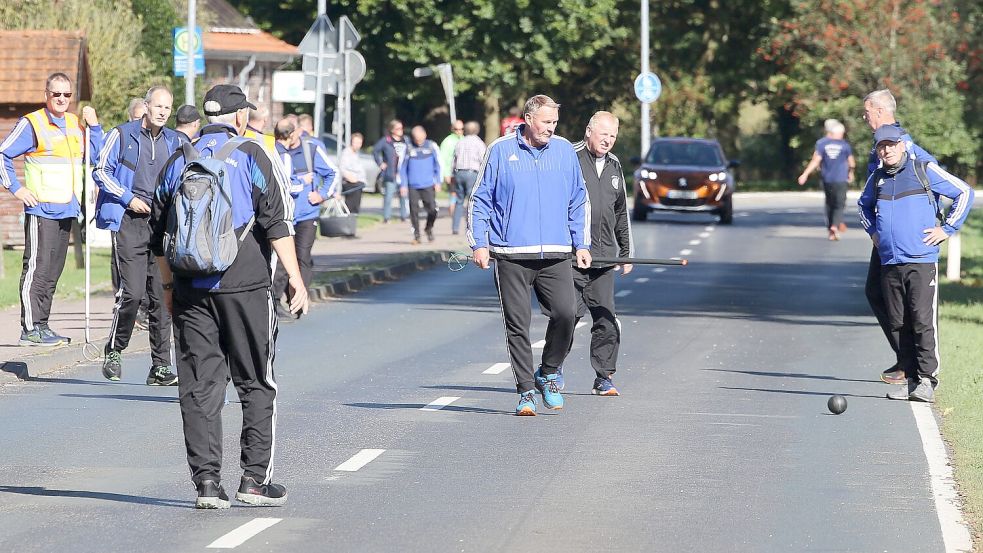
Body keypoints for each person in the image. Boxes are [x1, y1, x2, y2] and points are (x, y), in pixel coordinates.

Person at [151, 84, 309, 509]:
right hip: (246, 288)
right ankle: (254, 481)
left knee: (199, 388)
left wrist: (168, 290)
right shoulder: (254, 155)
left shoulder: (178, 159)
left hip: (189, 289)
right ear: (240, 117)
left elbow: (158, 233)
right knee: (257, 381)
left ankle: (206, 484)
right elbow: (278, 224)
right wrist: (296, 279)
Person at [468, 94, 591, 416]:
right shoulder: (500, 150)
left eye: (554, 122)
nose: (551, 128)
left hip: (556, 252)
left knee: (567, 313)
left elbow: (579, 200)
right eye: (546, 122)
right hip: (511, 253)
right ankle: (525, 391)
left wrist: (582, 244)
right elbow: (480, 199)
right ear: (528, 120)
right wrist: (479, 243)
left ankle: (548, 371)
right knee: (517, 324)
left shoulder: (564, 151)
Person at [859, 124, 973, 403]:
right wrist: (873, 232)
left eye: (890, 145)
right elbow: (863, 206)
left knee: (922, 321)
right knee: (898, 323)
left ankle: (927, 379)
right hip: (890, 261)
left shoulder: (923, 169)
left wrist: (947, 229)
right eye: (880, 146)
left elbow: (965, 193)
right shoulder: (877, 178)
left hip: (921, 261)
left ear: (902, 145)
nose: (885, 150)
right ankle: (911, 379)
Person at [1, 72, 103, 346]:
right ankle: (29, 328)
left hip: (67, 209)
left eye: (66, 95)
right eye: (56, 94)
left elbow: (95, 155)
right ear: (46, 95)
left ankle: (43, 324)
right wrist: (16, 188)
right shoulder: (32, 123)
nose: (61, 99)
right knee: (37, 268)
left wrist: (95, 126)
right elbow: (3, 154)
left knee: (53, 272)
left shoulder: (73, 123)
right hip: (41, 209)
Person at [93, 85, 180, 385]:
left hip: (160, 225)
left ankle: (160, 366)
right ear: (146, 106)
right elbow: (100, 170)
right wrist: (127, 197)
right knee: (132, 293)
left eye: (167, 108)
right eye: (158, 107)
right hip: (129, 220)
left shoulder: (174, 141)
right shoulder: (122, 134)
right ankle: (115, 349)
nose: (162, 113)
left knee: (161, 296)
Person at [860, 89, 939, 386]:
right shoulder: (878, 144)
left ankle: (913, 364)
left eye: (866, 112)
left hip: (908, 240)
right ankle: (906, 360)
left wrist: (935, 224)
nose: (865, 118)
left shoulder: (902, 143)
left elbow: (930, 175)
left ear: (880, 111)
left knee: (909, 306)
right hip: (885, 234)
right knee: (877, 292)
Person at [570, 111, 634, 396]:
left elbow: (621, 211)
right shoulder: (568, 158)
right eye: (603, 134)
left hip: (605, 256)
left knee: (607, 319)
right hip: (570, 256)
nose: (608, 140)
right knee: (566, 316)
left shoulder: (615, 165)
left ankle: (604, 376)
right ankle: (552, 370)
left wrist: (626, 251)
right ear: (588, 131)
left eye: (613, 136)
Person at [271, 113, 338, 320]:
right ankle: (275, 301)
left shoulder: (312, 149)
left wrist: (322, 194)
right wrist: (301, 180)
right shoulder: (277, 151)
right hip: (287, 214)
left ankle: (298, 299)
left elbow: (332, 173)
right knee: (282, 259)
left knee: (302, 256)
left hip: (308, 213)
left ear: (296, 133)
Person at [797, 119, 856, 240]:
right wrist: (851, 173)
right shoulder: (845, 145)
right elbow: (851, 163)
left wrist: (805, 174)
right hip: (841, 179)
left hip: (827, 179)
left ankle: (831, 228)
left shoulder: (821, 144)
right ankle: (835, 225)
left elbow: (815, 160)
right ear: (837, 133)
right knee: (840, 204)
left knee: (829, 203)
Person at [400, 125, 441, 244]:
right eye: (416, 139)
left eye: (420, 138)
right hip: (413, 185)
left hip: (428, 184)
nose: (418, 141)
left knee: (432, 210)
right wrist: (403, 184)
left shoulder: (431, 146)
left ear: (425, 135)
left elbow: (438, 165)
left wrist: (438, 181)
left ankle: (429, 228)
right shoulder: (408, 148)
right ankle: (417, 235)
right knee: (414, 211)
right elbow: (402, 167)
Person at [372, 119, 410, 223]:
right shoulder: (386, 140)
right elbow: (375, 151)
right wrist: (380, 163)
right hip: (390, 173)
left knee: (403, 196)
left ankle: (404, 216)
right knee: (388, 196)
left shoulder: (405, 140)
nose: (400, 130)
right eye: (398, 128)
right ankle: (386, 217)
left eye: (401, 128)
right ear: (392, 130)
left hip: (403, 174)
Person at [450, 121, 485, 234]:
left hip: (459, 172)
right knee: (472, 201)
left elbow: (454, 159)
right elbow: (483, 160)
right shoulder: (479, 143)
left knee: (459, 200)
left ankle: (455, 228)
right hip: (472, 173)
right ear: (477, 130)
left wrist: (452, 174)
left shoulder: (460, 142)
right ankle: (470, 226)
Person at [439, 120, 463, 224]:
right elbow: (443, 158)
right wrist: (446, 174)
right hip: (451, 172)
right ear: (452, 129)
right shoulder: (447, 141)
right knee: (453, 193)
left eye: (461, 129)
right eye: (457, 129)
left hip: (461, 171)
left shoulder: (464, 139)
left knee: (461, 194)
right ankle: (453, 215)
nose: (459, 131)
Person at [339, 132, 367, 214]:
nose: (358, 145)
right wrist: (350, 178)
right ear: (352, 142)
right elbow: (342, 168)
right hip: (350, 184)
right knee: (350, 206)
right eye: (356, 142)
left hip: (358, 183)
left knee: (356, 206)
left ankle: (353, 220)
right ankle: (347, 221)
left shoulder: (357, 153)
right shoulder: (346, 153)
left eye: (360, 143)